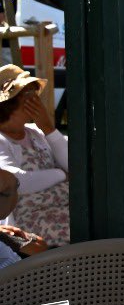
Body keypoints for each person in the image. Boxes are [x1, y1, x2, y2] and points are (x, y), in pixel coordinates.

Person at [0, 66, 69, 247]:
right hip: (28, 225)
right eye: (28, 94)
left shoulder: (36, 133)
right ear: (10, 104)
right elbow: (16, 181)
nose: (36, 99)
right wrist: (62, 176)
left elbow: (73, 165)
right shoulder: (1, 140)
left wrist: (49, 129)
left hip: (59, 209)